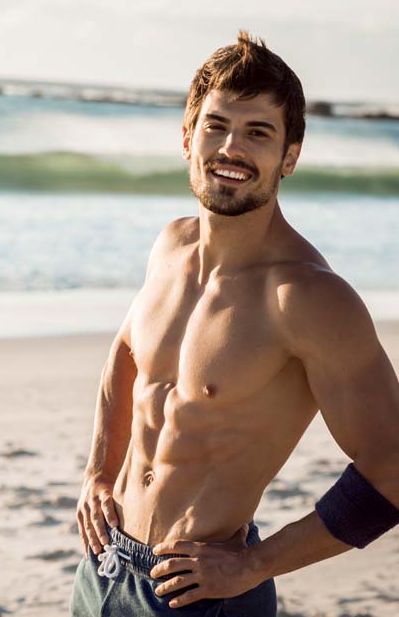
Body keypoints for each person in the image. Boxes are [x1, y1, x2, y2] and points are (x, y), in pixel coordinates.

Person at [70, 30, 399, 616]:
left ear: (289, 156)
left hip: (201, 594)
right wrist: (99, 470)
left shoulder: (307, 299)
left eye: (258, 133)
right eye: (216, 126)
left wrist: (254, 564)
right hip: (101, 569)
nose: (230, 148)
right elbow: (126, 353)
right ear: (187, 138)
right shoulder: (169, 247)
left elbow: (394, 467)